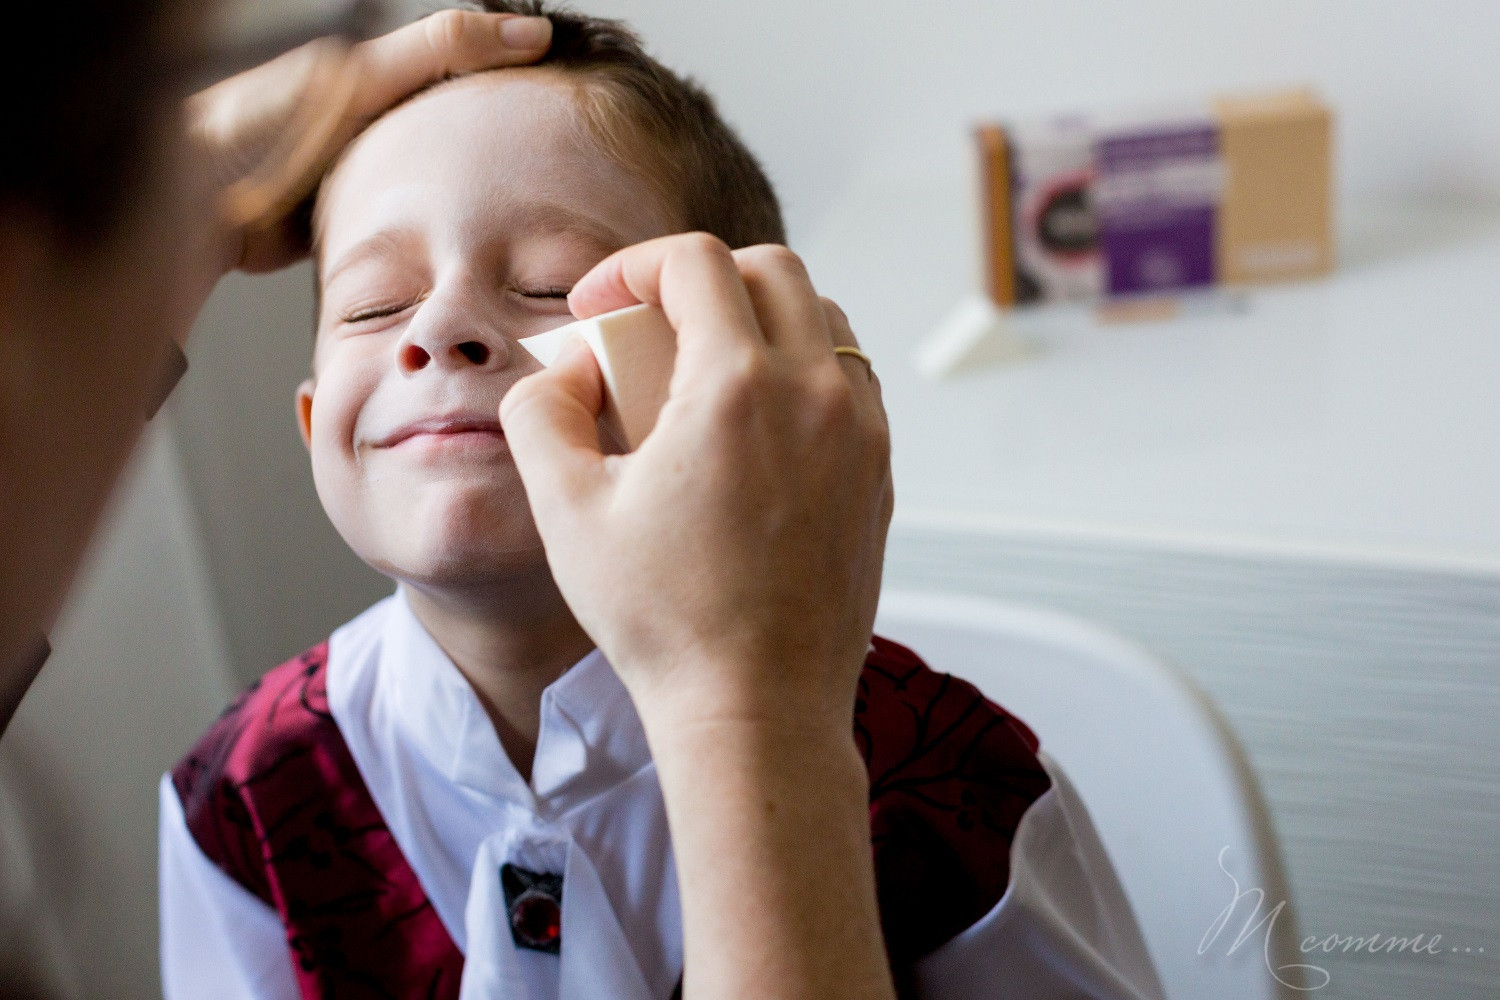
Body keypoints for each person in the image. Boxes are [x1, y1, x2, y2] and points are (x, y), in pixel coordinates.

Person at [156, 6, 1166, 1000]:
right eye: (375, 305)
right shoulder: (239, 796)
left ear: (738, 388)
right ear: (310, 421)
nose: (439, 326)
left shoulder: (949, 779)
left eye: (553, 284)